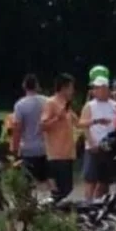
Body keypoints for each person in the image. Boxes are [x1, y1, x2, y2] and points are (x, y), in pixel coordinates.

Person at [79, 76, 116, 201]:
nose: (95, 90)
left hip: (108, 147)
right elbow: (82, 124)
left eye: (98, 88)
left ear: (106, 89)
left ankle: (100, 203)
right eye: (94, 88)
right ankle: (88, 203)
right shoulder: (90, 105)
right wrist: (91, 142)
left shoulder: (115, 105)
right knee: (90, 179)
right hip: (94, 146)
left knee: (104, 181)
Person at [40, 73, 78, 202]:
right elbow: (43, 125)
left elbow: (78, 123)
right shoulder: (51, 103)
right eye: (71, 88)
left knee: (68, 187)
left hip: (68, 152)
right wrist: (57, 118)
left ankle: (52, 205)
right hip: (56, 153)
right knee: (62, 189)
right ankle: (47, 205)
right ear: (63, 88)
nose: (73, 91)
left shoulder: (67, 105)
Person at [10, 74, 49, 195]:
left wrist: (14, 149)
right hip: (46, 148)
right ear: (37, 86)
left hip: (28, 149)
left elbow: (17, 129)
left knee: (27, 182)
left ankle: (28, 202)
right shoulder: (47, 102)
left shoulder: (20, 105)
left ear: (24, 86)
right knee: (46, 180)